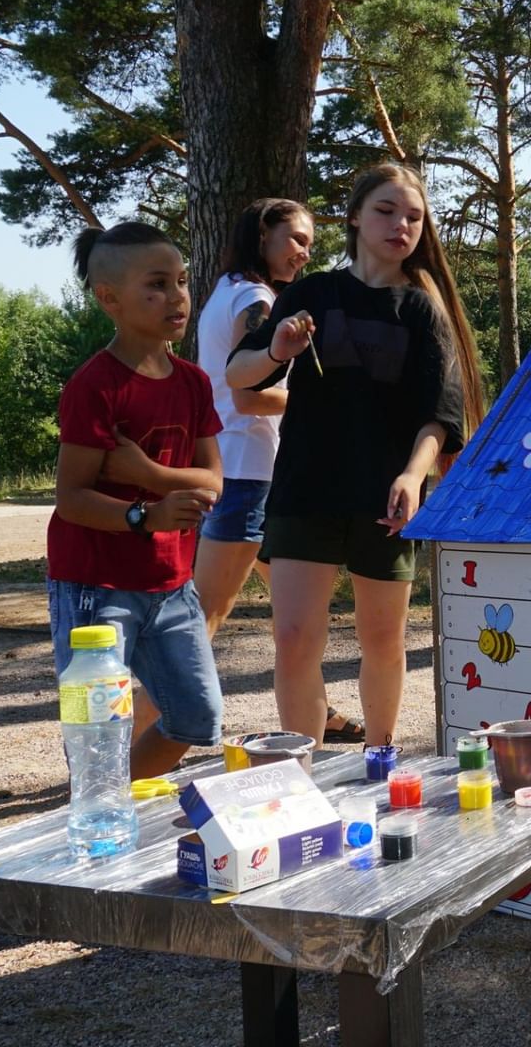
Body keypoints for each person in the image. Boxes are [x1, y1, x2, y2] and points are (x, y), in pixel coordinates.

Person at [227, 164, 483, 748]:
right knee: (294, 637)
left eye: (414, 217)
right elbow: (238, 374)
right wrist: (277, 346)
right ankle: (299, 768)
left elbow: (441, 416)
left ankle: (380, 756)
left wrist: (413, 476)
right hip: (304, 493)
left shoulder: (422, 309)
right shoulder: (313, 291)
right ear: (355, 217)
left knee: (383, 639)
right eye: (387, 212)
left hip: (384, 501)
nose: (401, 226)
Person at [47, 221, 224, 780]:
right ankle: (98, 804)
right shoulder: (94, 386)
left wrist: (147, 473)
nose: (177, 297)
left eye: (181, 281)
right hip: (94, 590)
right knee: (95, 728)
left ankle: (111, 798)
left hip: (173, 585)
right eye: (157, 284)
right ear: (109, 299)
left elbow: (214, 483)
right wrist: (145, 515)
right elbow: (71, 498)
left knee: (198, 718)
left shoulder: (193, 381)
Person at [194, 198, 362, 745]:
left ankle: (319, 713)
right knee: (205, 615)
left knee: (295, 617)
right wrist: (322, 402)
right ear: (263, 234)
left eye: (311, 243)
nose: (305, 252)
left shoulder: (227, 290)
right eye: (296, 239)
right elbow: (250, 397)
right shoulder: (259, 301)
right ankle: (142, 733)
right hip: (250, 474)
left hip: (246, 468)